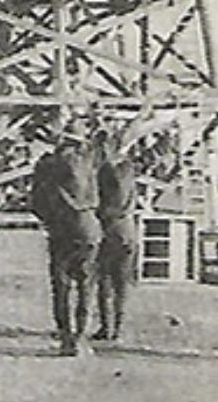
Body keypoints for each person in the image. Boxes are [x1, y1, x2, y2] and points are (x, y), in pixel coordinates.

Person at [30, 124, 102, 357]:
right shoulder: (88, 161)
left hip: (60, 227)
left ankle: (65, 338)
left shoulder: (47, 165)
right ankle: (81, 337)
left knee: (60, 286)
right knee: (86, 285)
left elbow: (36, 202)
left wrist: (49, 218)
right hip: (88, 225)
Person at [93, 127, 138, 343]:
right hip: (128, 228)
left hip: (108, 227)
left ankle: (106, 326)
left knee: (104, 280)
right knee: (122, 282)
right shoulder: (129, 168)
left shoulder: (105, 170)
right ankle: (119, 327)